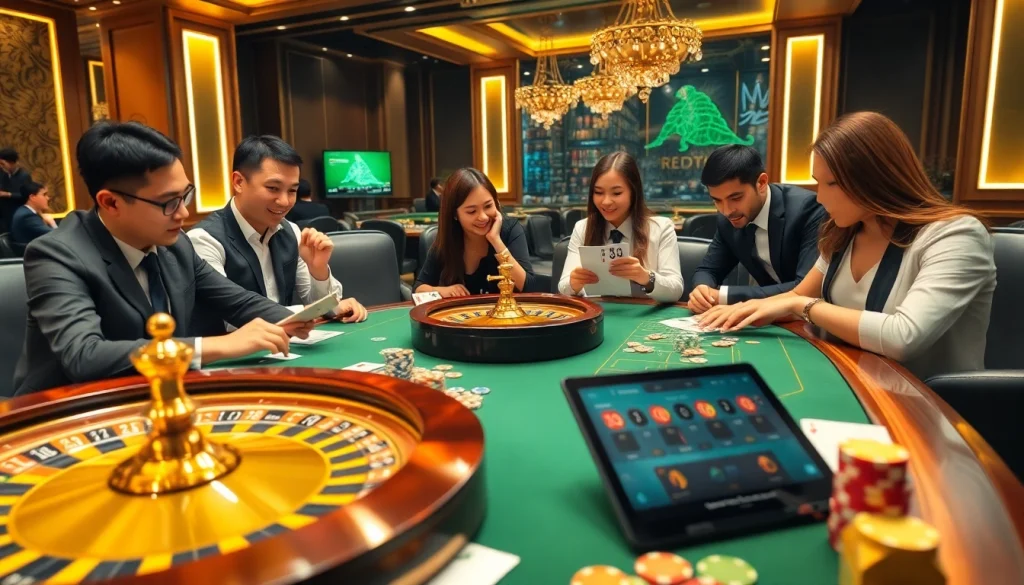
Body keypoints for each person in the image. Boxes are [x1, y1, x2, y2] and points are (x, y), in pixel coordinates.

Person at [13, 121, 318, 396]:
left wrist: (298, 318)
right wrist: (213, 345)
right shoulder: (56, 255)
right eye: (169, 203)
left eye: (184, 196)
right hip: (68, 413)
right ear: (111, 202)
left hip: (162, 397)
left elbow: (238, 302)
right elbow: (85, 355)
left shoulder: (175, 245)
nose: (184, 213)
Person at [698, 111, 996, 381]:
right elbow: (795, 295)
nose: (820, 198)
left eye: (832, 184)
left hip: (933, 407)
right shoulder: (842, 233)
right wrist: (741, 310)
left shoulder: (957, 235)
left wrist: (802, 306)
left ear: (875, 179)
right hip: (854, 382)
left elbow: (902, 337)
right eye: (818, 183)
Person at [189, 136, 366, 337]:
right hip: (229, 360)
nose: (284, 201)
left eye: (292, 191)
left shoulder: (291, 231)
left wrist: (318, 270)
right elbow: (230, 319)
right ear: (239, 182)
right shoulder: (204, 239)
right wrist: (308, 313)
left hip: (280, 347)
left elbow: (319, 305)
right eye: (273, 188)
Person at [688, 145, 827, 313]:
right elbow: (708, 270)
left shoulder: (808, 210)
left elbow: (804, 287)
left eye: (736, 198)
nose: (726, 210)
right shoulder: (727, 220)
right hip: (765, 319)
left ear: (761, 183)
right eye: (717, 200)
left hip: (812, 317)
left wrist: (723, 296)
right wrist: (702, 290)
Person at [559, 152, 684, 303]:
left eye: (616, 193)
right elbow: (564, 287)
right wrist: (574, 283)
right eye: (598, 192)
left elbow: (675, 290)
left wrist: (645, 277)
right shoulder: (583, 228)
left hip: (644, 315)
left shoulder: (661, 228)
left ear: (633, 192)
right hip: (597, 312)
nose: (606, 201)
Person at [414, 168, 537, 297]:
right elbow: (418, 289)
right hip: (460, 315)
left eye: (488, 206)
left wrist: (496, 241)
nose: (483, 217)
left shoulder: (510, 229)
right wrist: (442, 290)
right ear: (455, 214)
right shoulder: (448, 238)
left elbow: (528, 287)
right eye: (472, 211)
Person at [10, 181, 56, 254]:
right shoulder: (26, 216)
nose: (48, 198)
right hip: (34, 257)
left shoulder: (26, 211)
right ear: (32, 197)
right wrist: (52, 223)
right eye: (44, 195)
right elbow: (55, 236)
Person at [0, 148, 32, 232]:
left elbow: (27, 196)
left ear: (11, 162)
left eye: (3, 164)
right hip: (4, 217)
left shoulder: (24, 176)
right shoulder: (4, 175)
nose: (1, 166)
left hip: (17, 216)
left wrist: (8, 194)